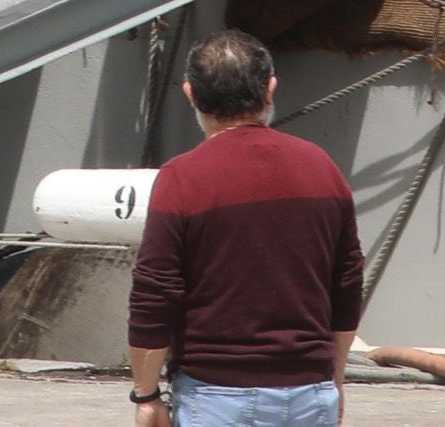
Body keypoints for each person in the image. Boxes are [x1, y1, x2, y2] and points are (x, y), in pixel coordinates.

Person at [127, 30, 363, 427]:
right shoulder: (322, 167)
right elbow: (347, 282)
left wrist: (147, 396)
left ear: (191, 94)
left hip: (217, 396)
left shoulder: (182, 178)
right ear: (270, 89)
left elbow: (155, 293)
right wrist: (334, 379)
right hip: (312, 393)